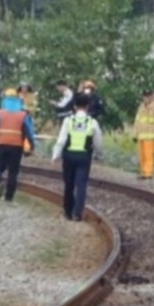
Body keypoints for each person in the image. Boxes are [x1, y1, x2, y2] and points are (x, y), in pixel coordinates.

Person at [51, 93, 103, 221]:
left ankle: (68, 211)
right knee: (81, 185)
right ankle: (77, 213)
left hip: (69, 156)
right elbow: (98, 142)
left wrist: (55, 155)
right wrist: (99, 155)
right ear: (88, 106)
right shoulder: (92, 122)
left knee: (69, 184)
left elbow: (61, 140)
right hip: (84, 157)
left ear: (74, 106)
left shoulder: (68, 121)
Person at [0, 88, 36, 201]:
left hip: (1, 144)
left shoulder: (0, 112)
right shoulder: (23, 114)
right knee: (13, 172)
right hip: (16, 146)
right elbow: (29, 131)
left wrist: (0, 131)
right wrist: (32, 145)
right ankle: (9, 197)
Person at [132, 90, 154, 179]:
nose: (146, 98)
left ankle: (148, 173)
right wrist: (134, 134)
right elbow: (137, 121)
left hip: (151, 135)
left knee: (149, 155)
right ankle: (143, 172)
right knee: (142, 155)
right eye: (144, 96)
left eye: (148, 96)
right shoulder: (141, 107)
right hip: (141, 135)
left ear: (151, 96)